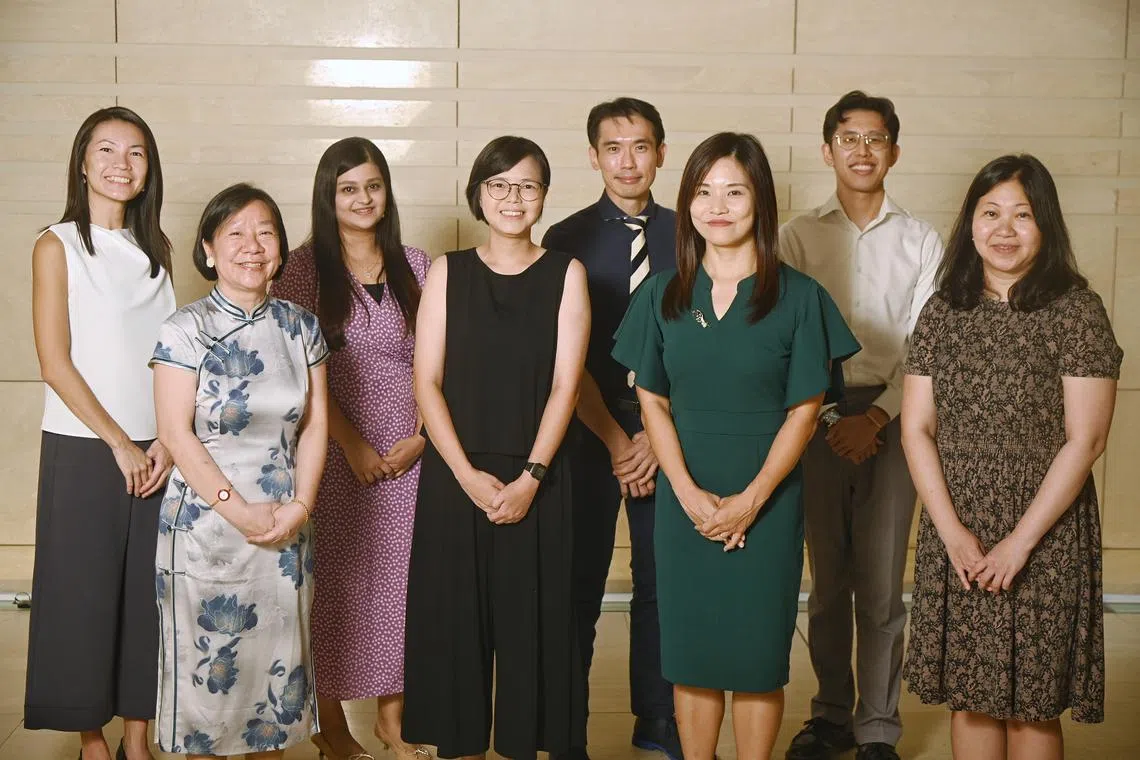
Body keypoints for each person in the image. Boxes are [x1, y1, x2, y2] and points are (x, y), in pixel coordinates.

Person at [612, 132, 860, 760]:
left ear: (761, 202)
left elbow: (805, 411)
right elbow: (652, 402)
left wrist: (750, 500)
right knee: (691, 656)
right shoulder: (662, 292)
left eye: (734, 192)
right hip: (683, 499)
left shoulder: (801, 297)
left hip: (768, 498)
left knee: (756, 659)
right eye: (703, 192)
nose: (716, 206)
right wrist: (688, 494)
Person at [900, 154, 1121, 760]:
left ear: (1045, 224)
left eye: (1022, 215)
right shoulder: (943, 310)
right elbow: (916, 430)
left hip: (1045, 528)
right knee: (970, 697)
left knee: (1032, 705)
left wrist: (1019, 544)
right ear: (970, 223)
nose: (1004, 229)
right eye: (990, 213)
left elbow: (1086, 440)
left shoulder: (1076, 310)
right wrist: (952, 534)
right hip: (958, 521)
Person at [401, 136, 591, 760]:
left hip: (538, 475)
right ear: (478, 195)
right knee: (456, 626)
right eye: (499, 185)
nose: (513, 198)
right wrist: (463, 473)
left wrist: (532, 476)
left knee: (535, 627)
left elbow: (566, 385)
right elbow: (426, 382)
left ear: (544, 196)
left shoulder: (567, 273)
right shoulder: (447, 271)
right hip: (457, 474)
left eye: (527, 185)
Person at [779, 90, 943, 760]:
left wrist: (877, 415)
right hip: (814, 417)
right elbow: (786, 336)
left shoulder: (922, 239)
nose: (862, 150)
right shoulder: (796, 236)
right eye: (849, 138)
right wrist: (826, 415)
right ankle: (829, 715)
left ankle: (878, 726)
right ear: (828, 150)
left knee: (881, 585)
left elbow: (929, 344)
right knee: (827, 586)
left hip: (898, 419)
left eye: (875, 138)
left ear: (894, 151)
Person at [150, 183, 329, 759]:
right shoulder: (184, 329)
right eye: (235, 233)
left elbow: (315, 427)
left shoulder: (302, 327)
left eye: (265, 233)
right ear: (208, 249)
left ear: (280, 249)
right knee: (211, 686)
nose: (252, 246)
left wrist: (300, 507)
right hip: (207, 527)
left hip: (284, 525)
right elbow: (176, 433)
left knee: (274, 676)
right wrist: (239, 510)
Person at [25, 105, 176, 760]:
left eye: (136, 151)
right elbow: (54, 362)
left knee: (150, 597)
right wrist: (119, 442)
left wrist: (167, 439)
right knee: (82, 596)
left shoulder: (156, 252)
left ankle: (136, 741)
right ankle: (92, 741)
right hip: (86, 449)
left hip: (157, 450)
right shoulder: (56, 245)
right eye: (107, 150)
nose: (122, 163)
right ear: (83, 163)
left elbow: (170, 361)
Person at [273, 137, 431, 760]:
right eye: (348, 188)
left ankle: (393, 722)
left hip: (412, 452)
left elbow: (441, 361)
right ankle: (331, 727)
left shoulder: (418, 266)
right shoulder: (302, 270)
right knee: (332, 589)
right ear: (327, 196)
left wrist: (422, 435)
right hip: (331, 451)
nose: (363, 199)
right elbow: (298, 374)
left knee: (403, 588)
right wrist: (354, 444)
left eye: (373, 185)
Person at [540, 96, 679, 760]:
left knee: (660, 585)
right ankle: (567, 727)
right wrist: (619, 441)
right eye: (614, 149)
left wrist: (655, 434)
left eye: (641, 146)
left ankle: (658, 721)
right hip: (588, 431)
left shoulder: (692, 233)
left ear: (661, 153)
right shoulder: (564, 239)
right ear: (594, 157)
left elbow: (700, 346)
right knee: (578, 584)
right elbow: (562, 359)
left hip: (668, 431)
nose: (628, 162)